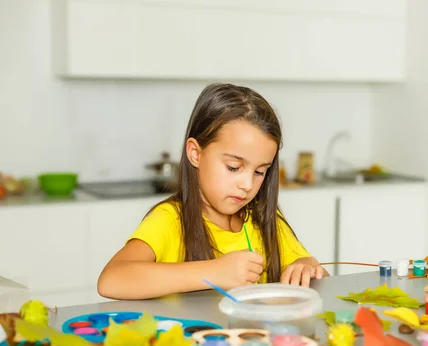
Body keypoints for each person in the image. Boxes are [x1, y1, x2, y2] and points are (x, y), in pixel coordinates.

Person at [97, 83, 329, 300]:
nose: (247, 184)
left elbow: (320, 280)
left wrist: (307, 266)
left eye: (259, 172)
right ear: (196, 153)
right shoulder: (170, 220)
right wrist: (214, 272)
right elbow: (111, 280)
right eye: (234, 167)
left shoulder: (263, 219)